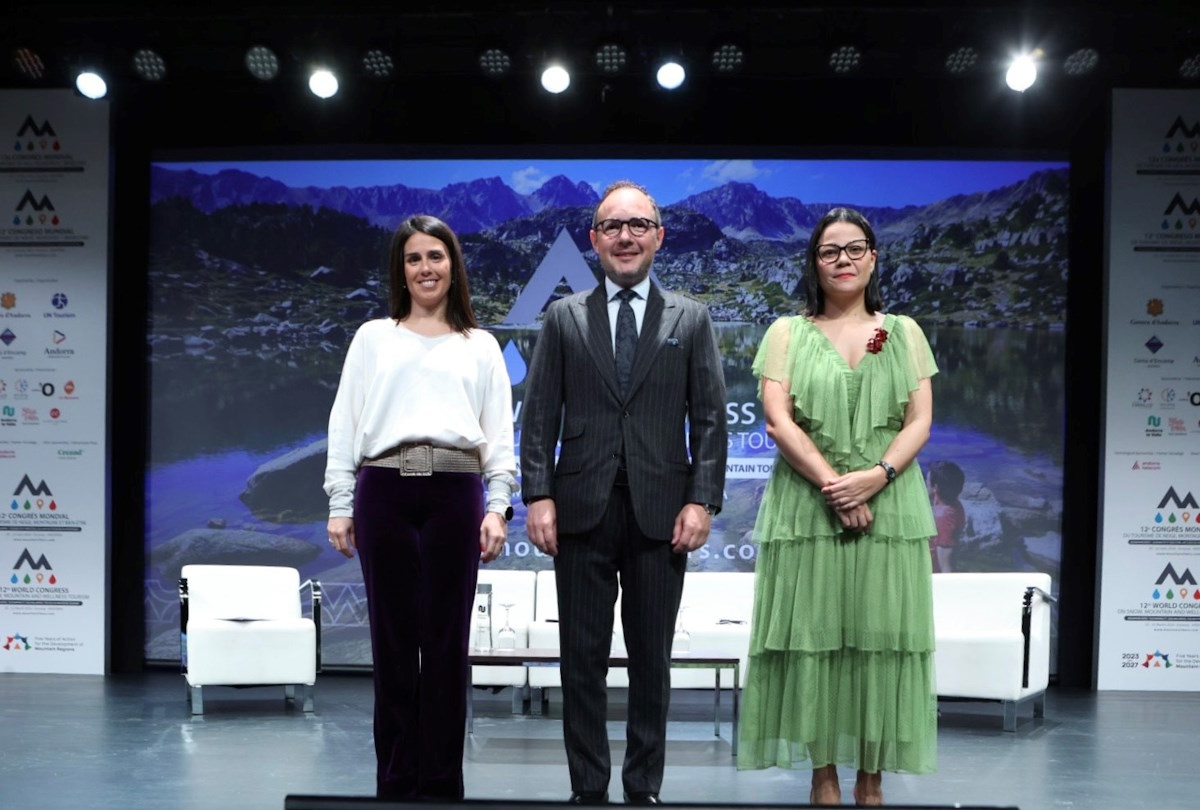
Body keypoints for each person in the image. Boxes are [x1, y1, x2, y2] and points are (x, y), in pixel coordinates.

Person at [520, 180, 728, 806]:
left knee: (651, 663)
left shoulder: (691, 318)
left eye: (639, 224)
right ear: (594, 240)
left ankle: (643, 791)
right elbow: (538, 417)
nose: (625, 236)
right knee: (580, 661)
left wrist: (703, 500)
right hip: (579, 509)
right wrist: (537, 495)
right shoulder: (562, 316)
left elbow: (712, 419)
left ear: (659, 237)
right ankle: (588, 791)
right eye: (612, 226)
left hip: (662, 513)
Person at [737, 207, 938, 806]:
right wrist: (837, 486)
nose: (843, 260)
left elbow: (920, 419)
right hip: (808, 506)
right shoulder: (785, 333)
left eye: (855, 249)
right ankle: (822, 781)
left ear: (873, 257)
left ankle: (870, 785)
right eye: (830, 251)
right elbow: (778, 421)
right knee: (813, 642)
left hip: (891, 504)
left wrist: (875, 477)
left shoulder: (903, 332)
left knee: (881, 642)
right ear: (814, 262)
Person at [323, 214, 517, 801]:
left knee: (446, 645)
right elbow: (344, 423)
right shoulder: (373, 337)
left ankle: (441, 784)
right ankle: (395, 783)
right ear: (401, 272)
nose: (426, 268)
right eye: (414, 259)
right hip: (383, 490)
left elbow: (498, 433)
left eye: (436, 256)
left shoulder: (480, 345)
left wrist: (498, 503)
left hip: (455, 495)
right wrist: (340, 500)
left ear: (453, 266)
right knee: (392, 643)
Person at [927, 460, 966, 573]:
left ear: (935, 487)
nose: (925, 484)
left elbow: (946, 564)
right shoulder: (955, 504)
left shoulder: (944, 517)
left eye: (927, 482)